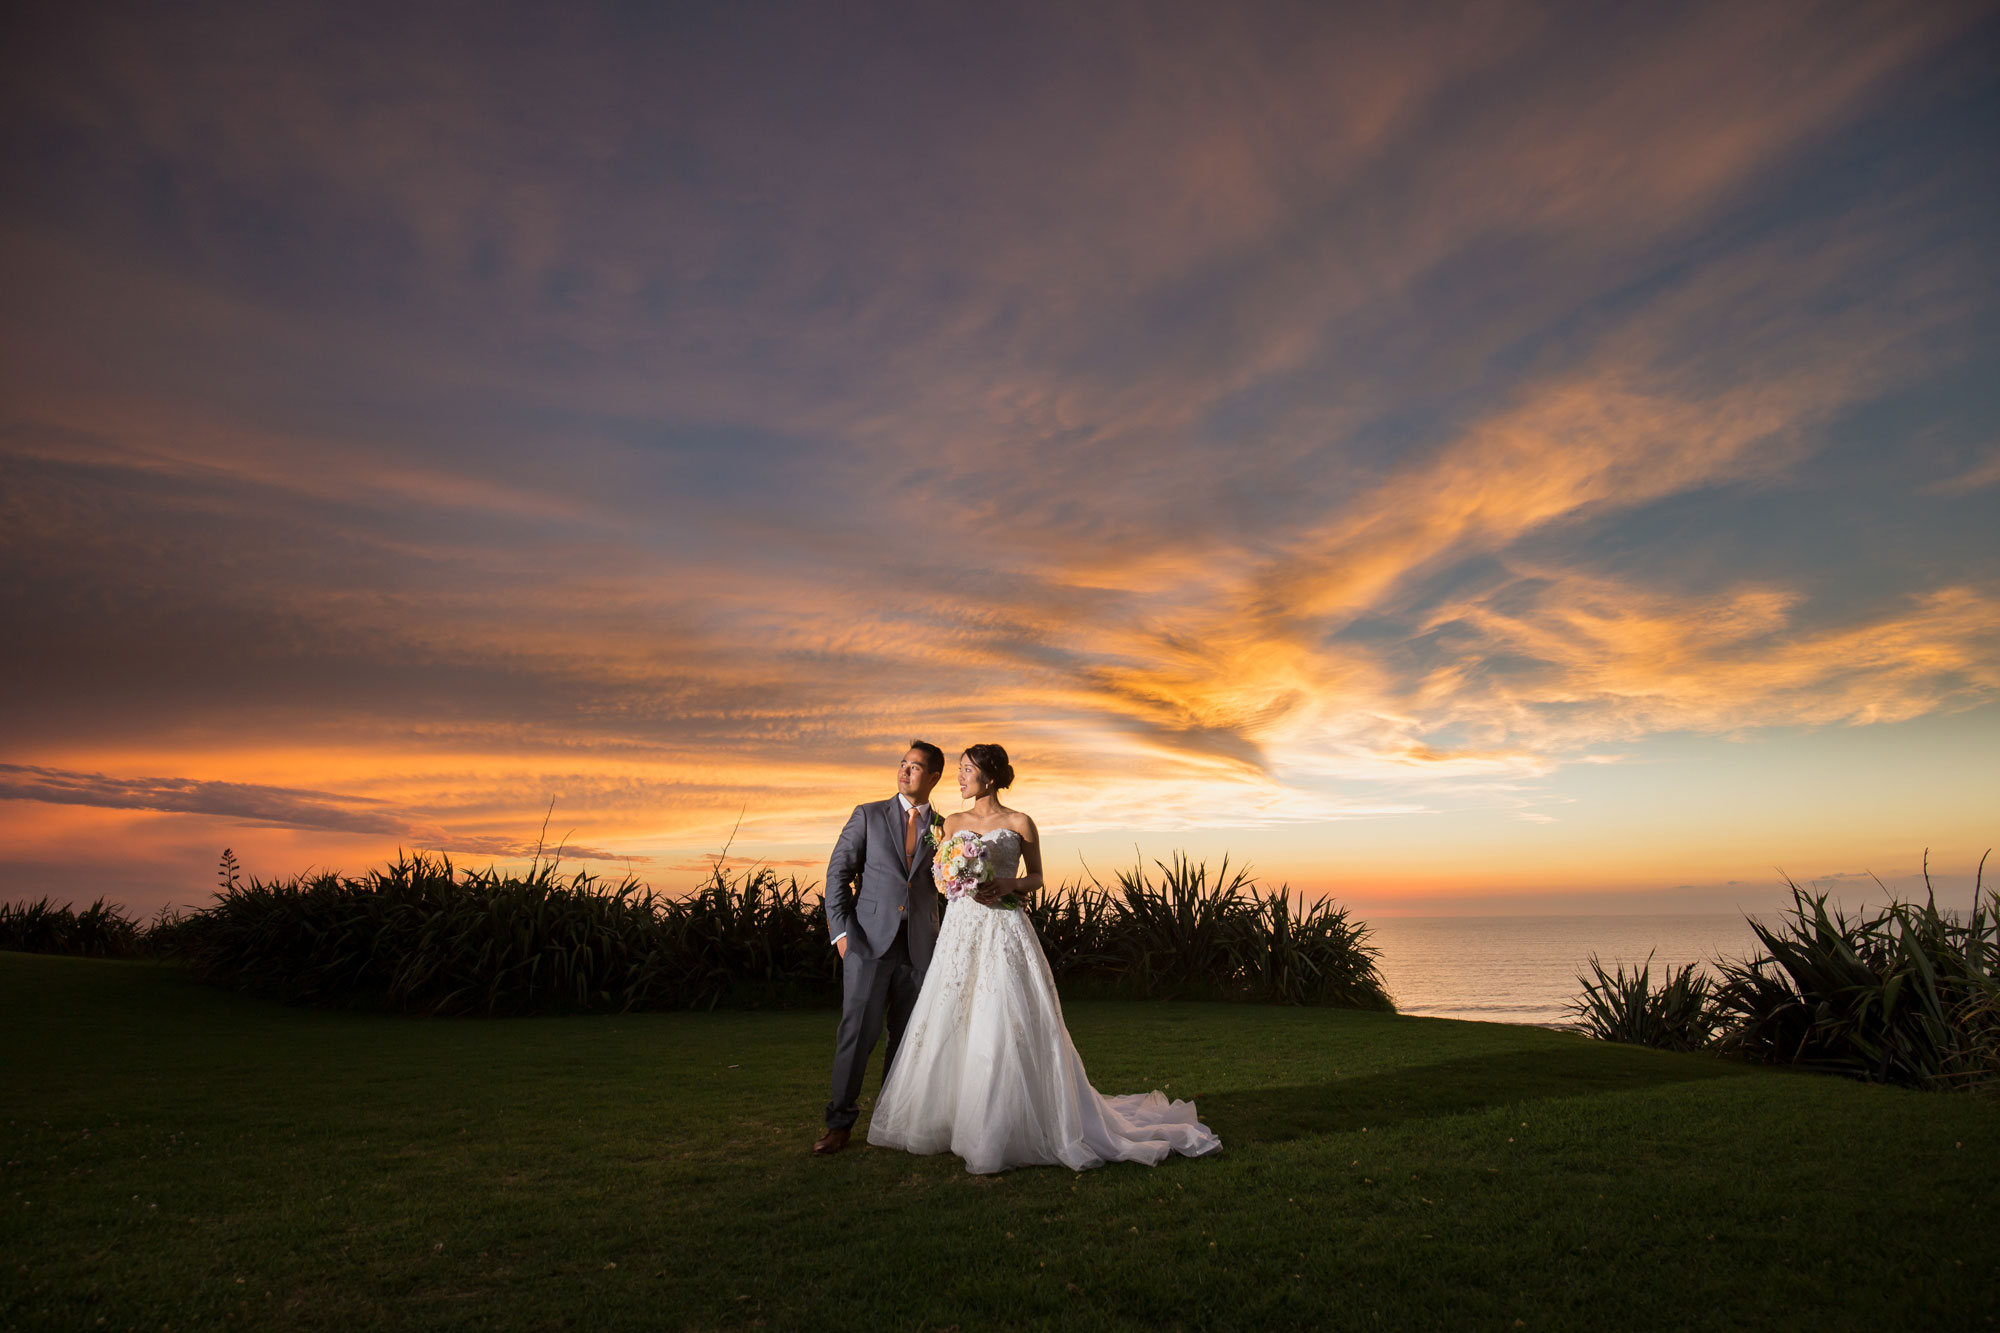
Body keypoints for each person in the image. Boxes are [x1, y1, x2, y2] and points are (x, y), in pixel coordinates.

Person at [865, 743, 1221, 1173]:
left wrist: (1008, 884)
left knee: (1002, 1017)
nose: (959, 778)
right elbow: (941, 876)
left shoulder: (1020, 822)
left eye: (966, 771)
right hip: (960, 931)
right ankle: (949, 1119)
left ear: (989, 778)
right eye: (958, 771)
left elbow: (1036, 876)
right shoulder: (952, 823)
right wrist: (955, 880)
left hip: (1003, 928)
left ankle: (1005, 1123)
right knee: (951, 1017)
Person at [813, 741, 946, 1155]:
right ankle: (839, 1123)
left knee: (906, 1039)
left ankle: (891, 1123)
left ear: (935, 777)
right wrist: (841, 934)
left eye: (916, 767)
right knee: (857, 1033)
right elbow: (838, 874)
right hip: (868, 943)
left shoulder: (947, 826)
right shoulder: (868, 815)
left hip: (921, 946)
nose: (905, 771)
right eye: (903, 764)